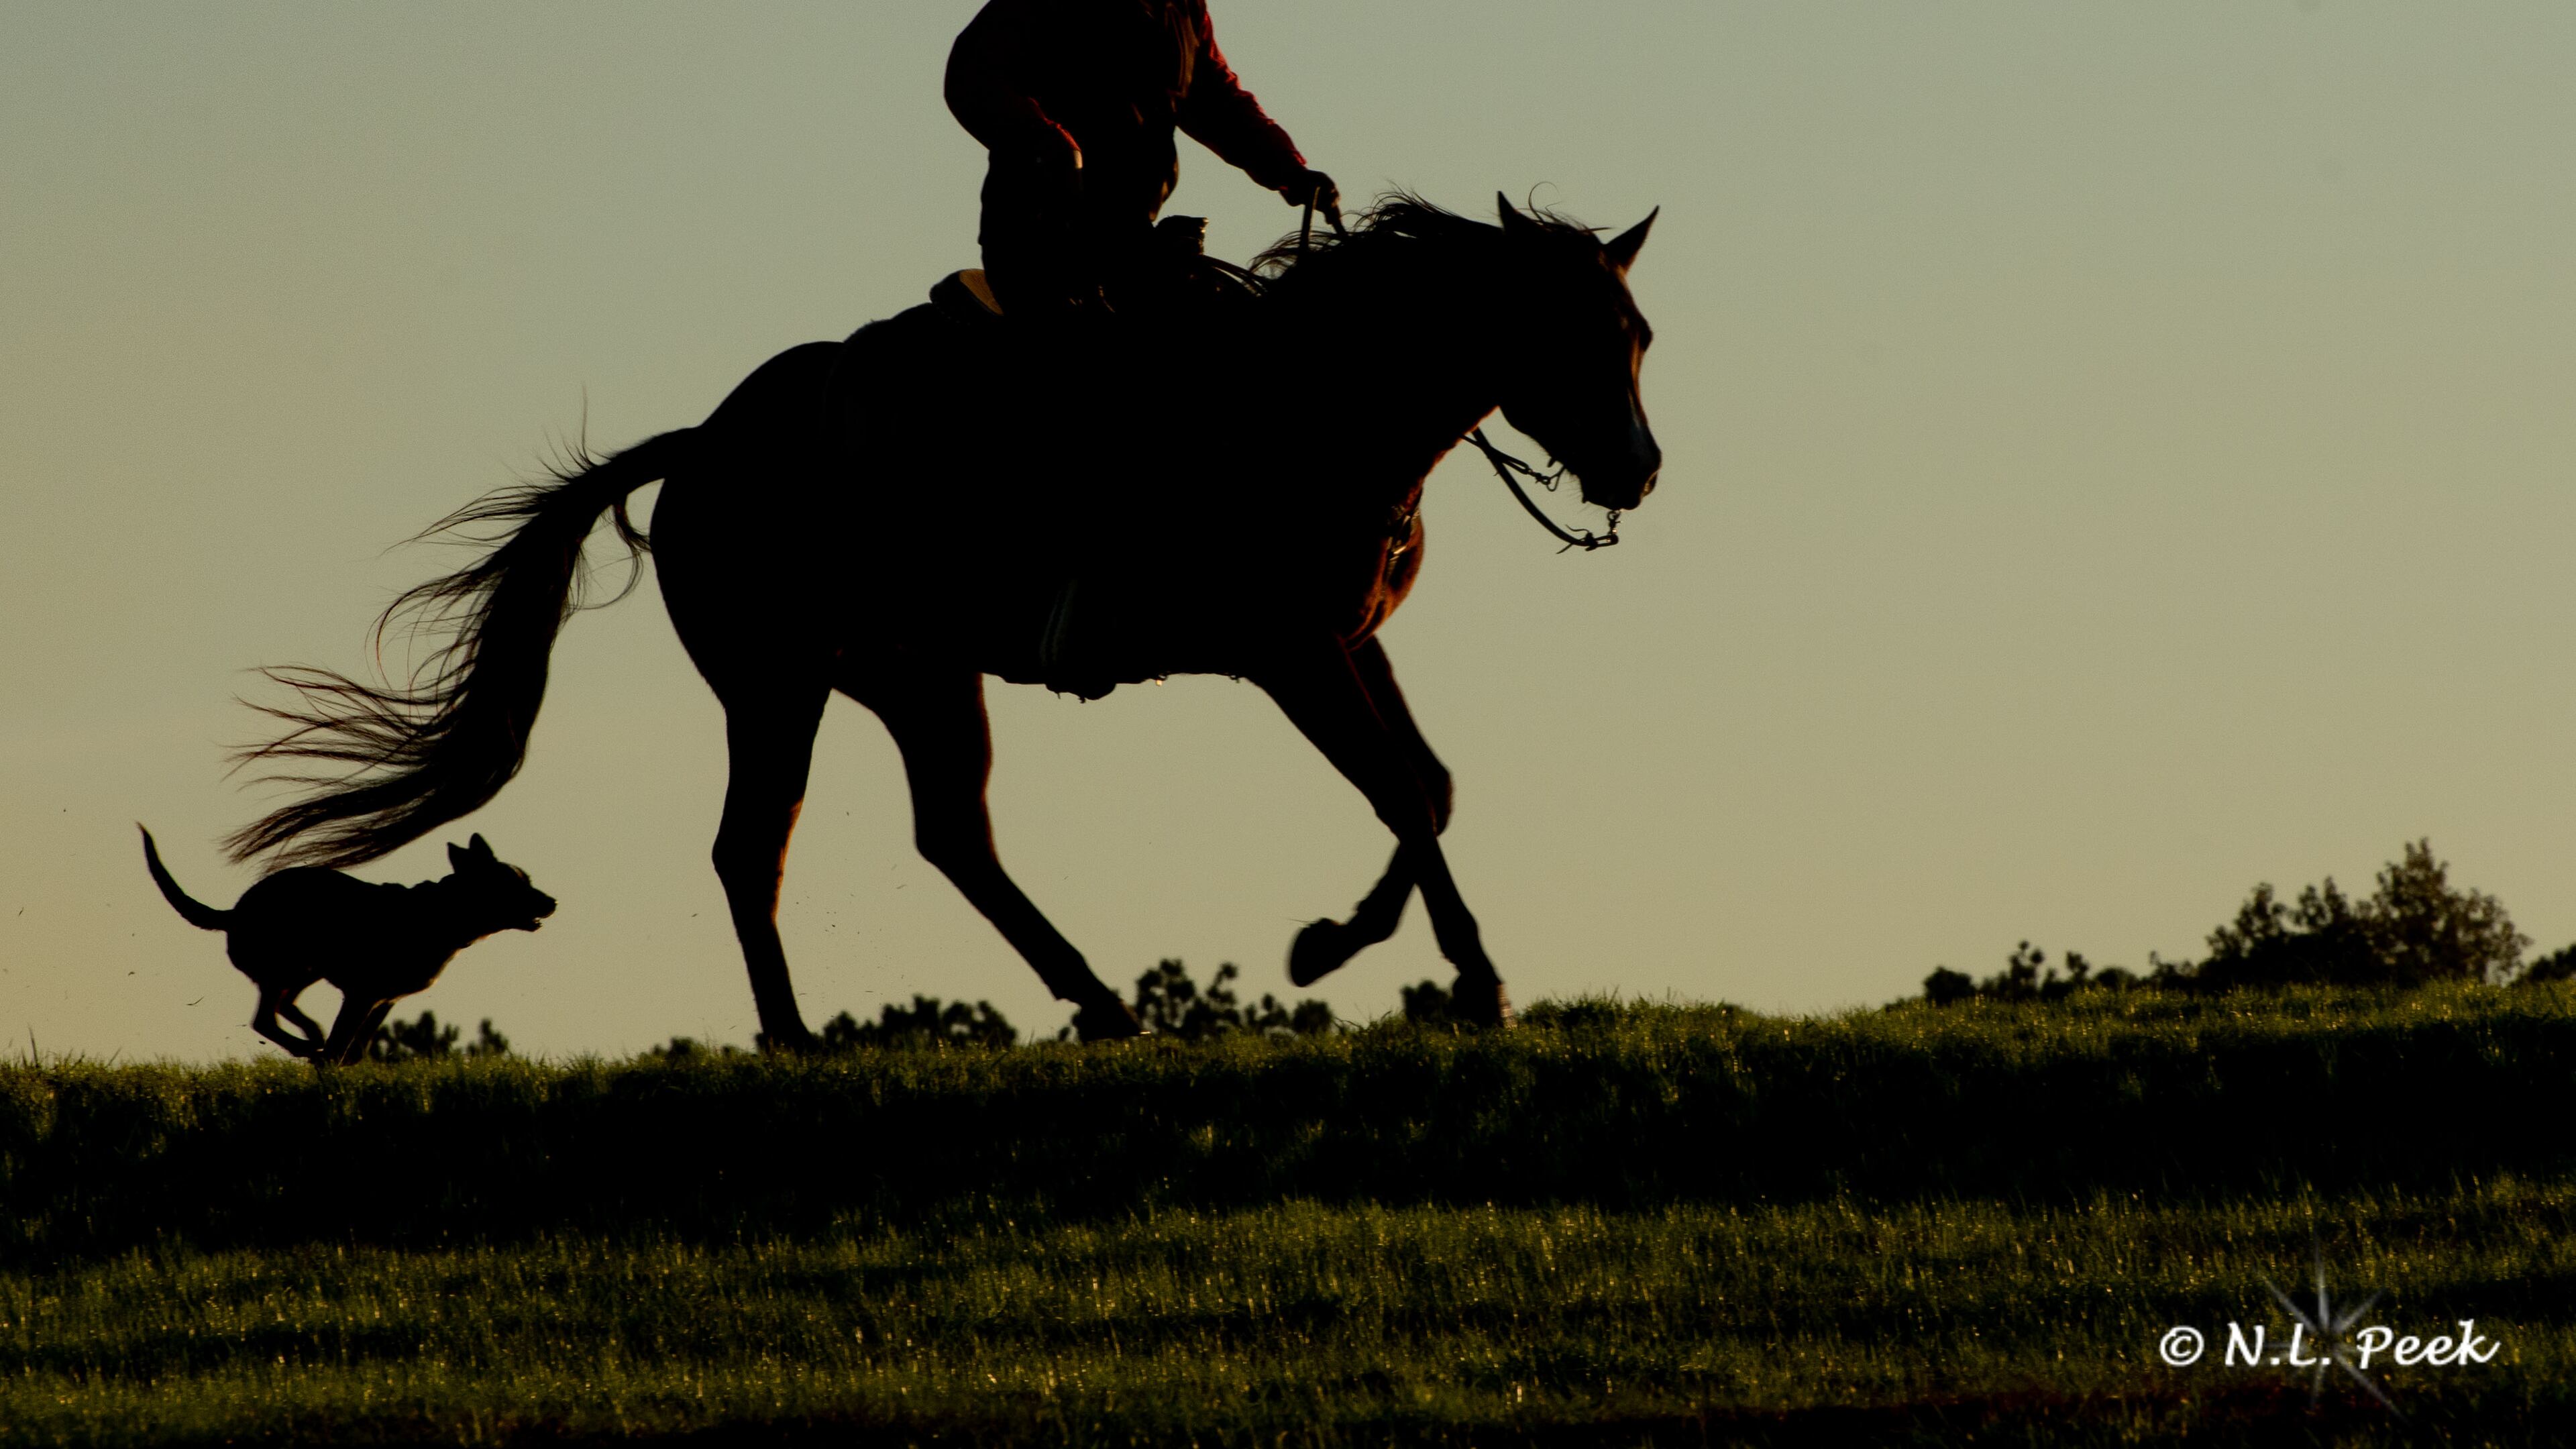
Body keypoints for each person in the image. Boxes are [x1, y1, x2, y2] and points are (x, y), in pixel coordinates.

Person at [945, 0, 1338, 320]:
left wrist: (1290, 170)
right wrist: (1051, 147)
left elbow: (1217, 103)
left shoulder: (1182, 9)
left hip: (1131, 235)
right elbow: (974, 74)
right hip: (1040, 234)